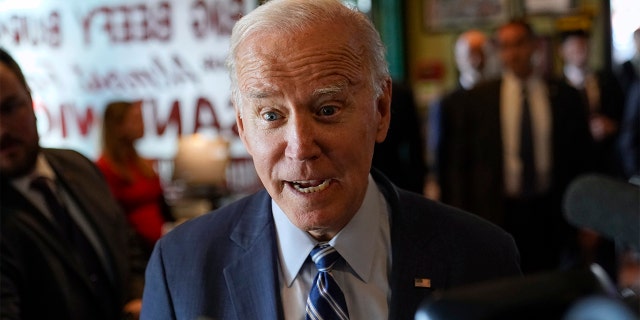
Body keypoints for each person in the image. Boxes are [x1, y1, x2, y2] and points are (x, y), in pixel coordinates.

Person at [140, 1, 521, 319]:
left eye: (327, 109)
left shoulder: (481, 256)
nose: (301, 146)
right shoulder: (181, 267)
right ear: (242, 127)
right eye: (271, 116)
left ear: (381, 109)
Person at [438, 20, 594, 275]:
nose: (514, 53)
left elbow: (582, 159)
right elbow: (459, 166)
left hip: (550, 212)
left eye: (520, 44)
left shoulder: (565, 96)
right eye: (506, 46)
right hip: (497, 211)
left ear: (535, 46)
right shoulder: (477, 99)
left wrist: (588, 219)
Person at [0, 48, 145, 319]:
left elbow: (125, 240)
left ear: (30, 99)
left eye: (8, 108)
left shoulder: (78, 165)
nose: (2, 130)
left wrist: (137, 295)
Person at [96, 100, 174, 258]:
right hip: (137, 252)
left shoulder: (141, 163)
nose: (143, 124)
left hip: (161, 241)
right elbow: (113, 220)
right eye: (135, 119)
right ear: (118, 127)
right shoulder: (104, 168)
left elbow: (161, 204)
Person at [432, 29, 492, 200]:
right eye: (471, 53)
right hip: (462, 194)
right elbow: (441, 158)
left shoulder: (502, 97)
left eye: (481, 52)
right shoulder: (446, 103)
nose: (477, 59)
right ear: (458, 59)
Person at [558, 29, 625, 177]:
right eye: (574, 46)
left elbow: (624, 115)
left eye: (583, 45)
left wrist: (613, 126)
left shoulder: (607, 80)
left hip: (605, 161)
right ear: (562, 51)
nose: (579, 50)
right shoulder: (555, 88)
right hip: (571, 164)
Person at [372, 81, 427, 194]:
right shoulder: (401, 92)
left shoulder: (401, 94)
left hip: (396, 179)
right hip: (397, 179)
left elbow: (415, 146)